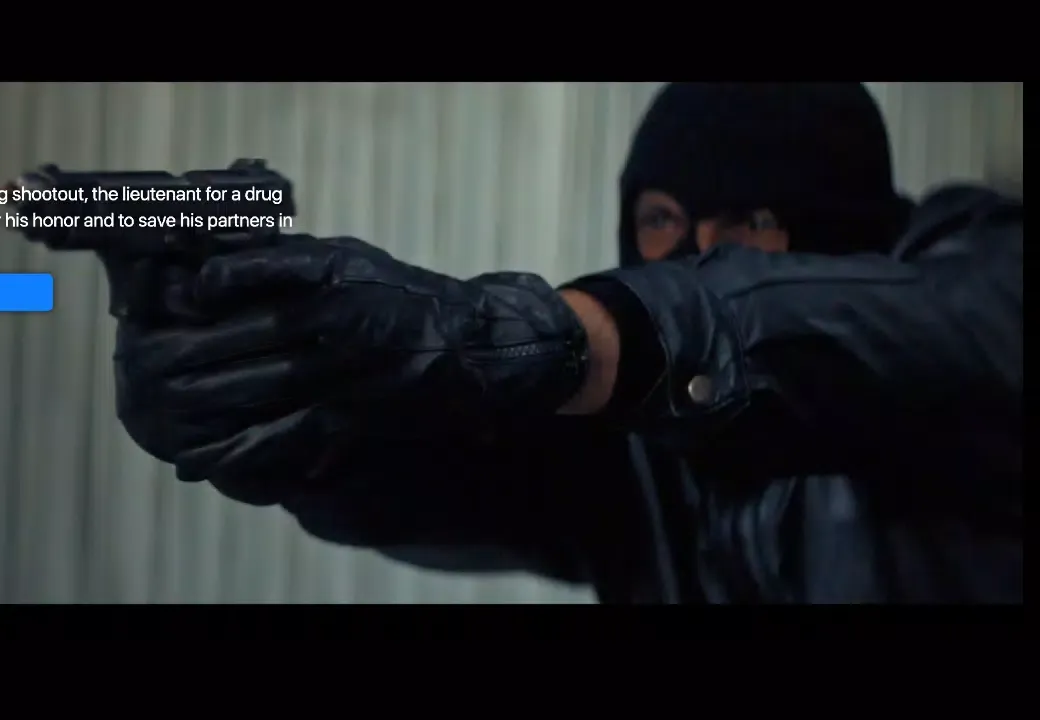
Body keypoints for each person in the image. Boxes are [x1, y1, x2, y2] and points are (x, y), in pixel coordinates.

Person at [112, 83, 1023, 603]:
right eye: (662, 219)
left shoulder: (982, 293)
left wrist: (547, 336)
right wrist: (288, 413)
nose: (699, 254)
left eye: (752, 223)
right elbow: (469, 481)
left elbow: (873, 333)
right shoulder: (641, 444)